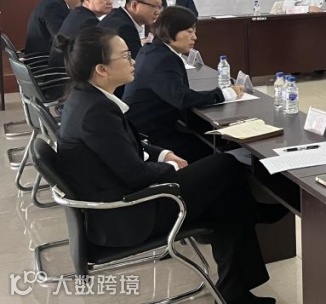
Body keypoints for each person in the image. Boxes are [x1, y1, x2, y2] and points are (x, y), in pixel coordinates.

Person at [54, 28, 274, 304]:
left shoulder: (85, 98)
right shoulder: (96, 112)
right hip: (129, 213)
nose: (133, 61)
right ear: (102, 69)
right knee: (225, 166)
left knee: (226, 196)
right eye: (125, 56)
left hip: (119, 199)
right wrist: (173, 169)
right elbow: (135, 175)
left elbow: (127, 146)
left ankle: (237, 287)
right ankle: (251, 226)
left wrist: (164, 154)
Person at [124, 7, 244, 161]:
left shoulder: (153, 50)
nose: (195, 37)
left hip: (150, 128)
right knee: (212, 151)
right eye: (189, 31)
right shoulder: (162, 59)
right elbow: (182, 98)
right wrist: (225, 93)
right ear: (170, 31)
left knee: (207, 138)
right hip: (149, 137)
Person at [48, 0, 113, 68]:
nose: (109, 2)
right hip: (64, 74)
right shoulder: (89, 22)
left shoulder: (78, 13)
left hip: (59, 69)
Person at [24, 0, 90, 55]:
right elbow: (62, 40)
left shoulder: (54, 1)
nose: (84, 5)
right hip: (44, 58)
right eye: (84, 0)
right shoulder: (53, 7)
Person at [100, 0, 164, 60]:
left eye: (159, 7)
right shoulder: (125, 28)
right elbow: (139, 62)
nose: (157, 12)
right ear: (134, 6)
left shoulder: (117, 14)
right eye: (153, 6)